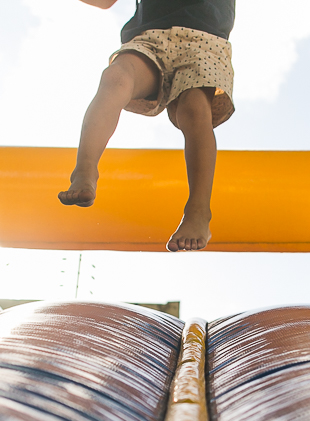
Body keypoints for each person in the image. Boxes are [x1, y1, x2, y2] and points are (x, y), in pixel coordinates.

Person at [59, 0, 236, 251]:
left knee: (194, 109)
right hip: (149, 37)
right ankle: (85, 170)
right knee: (115, 77)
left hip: (204, 39)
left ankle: (198, 210)